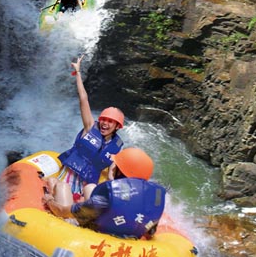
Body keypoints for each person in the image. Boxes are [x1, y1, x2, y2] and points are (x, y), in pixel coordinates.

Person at [46, 55, 124, 206]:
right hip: (68, 177)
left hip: (87, 183)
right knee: (60, 189)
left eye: (110, 122)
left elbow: (111, 175)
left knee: (90, 192)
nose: (105, 124)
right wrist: (78, 73)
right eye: (104, 120)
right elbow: (83, 99)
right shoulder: (90, 127)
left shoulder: (116, 148)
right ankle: (55, 197)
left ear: (117, 127)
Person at [45, 147, 166, 239]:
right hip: (124, 235)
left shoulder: (106, 198)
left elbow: (61, 211)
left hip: (93, 234)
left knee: (61, 186)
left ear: (118, 171)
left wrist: (49, 200)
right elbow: (150, 232)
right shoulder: (155, 197)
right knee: (90, 187)